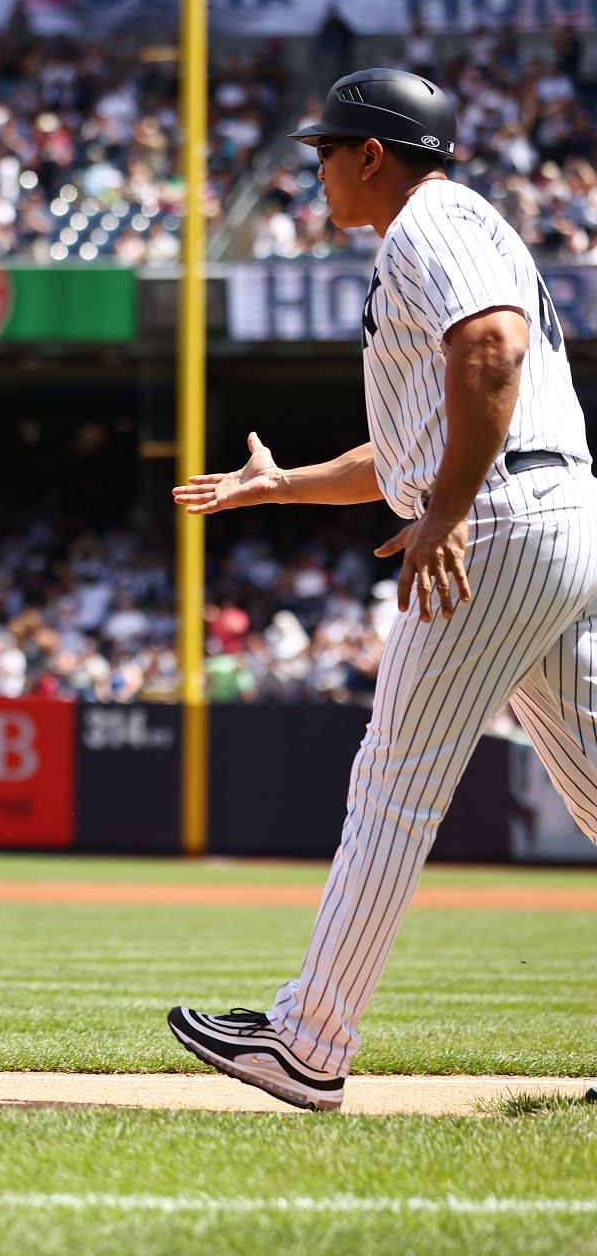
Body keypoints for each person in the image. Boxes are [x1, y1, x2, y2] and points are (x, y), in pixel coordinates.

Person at [166, 69, 593, 1111]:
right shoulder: (464, 220)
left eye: (326, 151)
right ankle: (308, 1032)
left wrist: (446, 512)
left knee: (393, 787)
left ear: (372, 154)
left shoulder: (424, 223)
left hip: (496, 523)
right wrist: (283, 486)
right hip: (557, 515)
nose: (313, 170)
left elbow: (491, 348)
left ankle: (309, 1042)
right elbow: (420, 441)